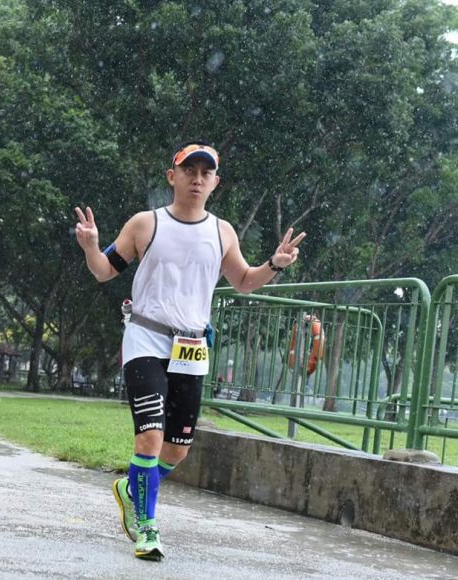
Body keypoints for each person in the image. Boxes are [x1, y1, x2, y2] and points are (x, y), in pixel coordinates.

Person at [73, 140, 305, 561]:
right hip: (146, 337)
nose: (197, 179)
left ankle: (131, 489)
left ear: (215, 182)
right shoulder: (145, 224)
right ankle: (147, 527)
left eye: (205, 173)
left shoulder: (222, 231)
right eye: (189, 170)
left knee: (177, 449)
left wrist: (274, 264)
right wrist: (91, 246)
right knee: (150, 437)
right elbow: (105, 272)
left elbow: (244, 281)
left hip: (192, 347)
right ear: (172, 176)